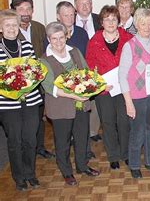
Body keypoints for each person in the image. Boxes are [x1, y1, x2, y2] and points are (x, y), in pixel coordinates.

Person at [41, 21, 100, 186]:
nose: (59, 42)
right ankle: (66, 171)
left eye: (61, 37)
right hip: (60, 108)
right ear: (48, 39)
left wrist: (94, 86)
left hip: (81, 105)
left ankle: (82, 166)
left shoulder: (75, 51)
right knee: (63, 141)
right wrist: (75, 95)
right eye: (54, 39)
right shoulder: (44, 60)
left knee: (82, 138)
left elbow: (86, 72)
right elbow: (50, 87)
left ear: (66, 36)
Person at [118, 8, 150, 179]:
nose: (147, 26)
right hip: (136, 97)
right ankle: (135, 163)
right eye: (143, 23)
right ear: (136, 24)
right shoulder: (129, 46)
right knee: (137, 131)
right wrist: (128, 102)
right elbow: (122, 76)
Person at [86, 5, 133, 170]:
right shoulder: (94, 41)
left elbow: (134, 62)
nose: (111, 22)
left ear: (118, 21)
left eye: (114, 19)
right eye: (107, 19)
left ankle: (126, 153)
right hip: (104, 89)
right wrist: (100, 84)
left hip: (124, 88)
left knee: (124, 121)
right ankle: (113, 155)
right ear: (101, 22)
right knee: (108, 122)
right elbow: (90, 67)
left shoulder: (128, 38)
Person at [0, 9, 42, 191]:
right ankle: (19, 177)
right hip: (7, 104)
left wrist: (27, 87)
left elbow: (35, 73)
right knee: (15, 141)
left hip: (30, 100)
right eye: (7, 25)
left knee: (30, 139)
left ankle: (30, 173)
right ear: (1, 27)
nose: (11, 28)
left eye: (14, 25)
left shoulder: (27, 47)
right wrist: (13, 91)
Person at [10, 0, 54, 159]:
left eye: (28, 9)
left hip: (38, 80)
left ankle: (39, 146)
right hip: (17, 83)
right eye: (21, 9)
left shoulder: (39, 27)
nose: (25, 12)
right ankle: (23, 147)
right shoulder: (10, 29)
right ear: (14, 11)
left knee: (38, 115)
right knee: (20, 119)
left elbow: (45, 50)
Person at [74, 0, 103, 149]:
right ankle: (79, 132)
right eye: (81, 4)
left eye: (88, 3)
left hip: (97, 67)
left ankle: (93, 130)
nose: (85, 6)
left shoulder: (100, 20)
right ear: (76, 6)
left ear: (92, 5)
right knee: (80, 101)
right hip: (78, 69)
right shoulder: (70, 21)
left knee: (96, 101)